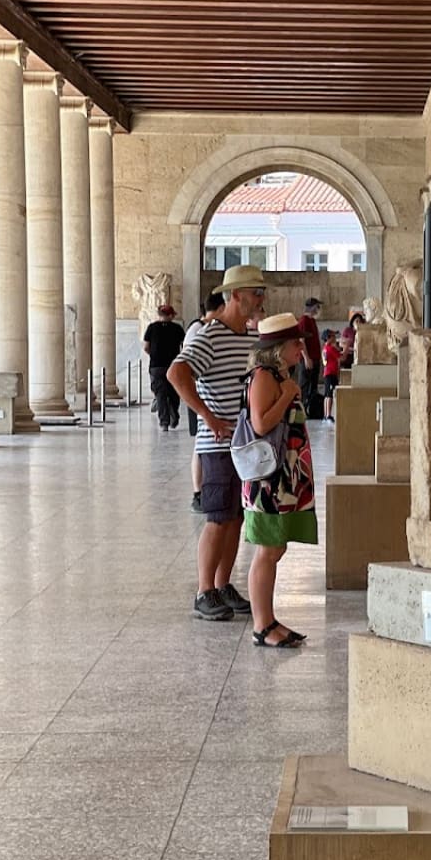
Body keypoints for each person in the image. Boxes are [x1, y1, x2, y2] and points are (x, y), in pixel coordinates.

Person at [166, 263, 268, 622]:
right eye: (256, 292)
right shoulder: (210, 335)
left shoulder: (249, 338)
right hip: (218, 444)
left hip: (244, 445)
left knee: (236, 518)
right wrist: (206, 417)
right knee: (218, 518)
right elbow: (176, 373)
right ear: (236, 295)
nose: (261, 299)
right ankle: (204, 590)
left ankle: (223, 585)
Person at [241, 313, 317, 649]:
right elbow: (260, 424)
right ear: (279, 348)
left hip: (284, 477)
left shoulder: (279, 375)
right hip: (268, 481)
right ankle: (262, 625)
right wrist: (287, 394)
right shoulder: (264, 377)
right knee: (268, 549)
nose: (301, 347)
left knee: (276, 547)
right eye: (295, 342)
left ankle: (269, 619)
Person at [184, 292, 224, 512]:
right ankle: (198, 492)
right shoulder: (199, 330)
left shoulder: (206, 329)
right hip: (199, 396)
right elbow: (184, 370)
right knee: (201, 444)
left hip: (205, 396)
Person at [143, 305, 185, 430]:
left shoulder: (152, 327)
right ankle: (174, 416)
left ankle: (164, 422)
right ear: (171, 315)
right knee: (174, 392)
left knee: (160, 394)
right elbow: (185, 346)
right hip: (173, 365)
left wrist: (154, 355)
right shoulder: (177, 328)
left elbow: (146, 347)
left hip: (156, 366)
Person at [296, 297, 322, 414]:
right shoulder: (304, 321)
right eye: (317, 307)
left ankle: (311, 409)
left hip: (315, 358)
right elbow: (301, 340)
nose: (318, 309)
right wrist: (306, 358)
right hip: (308, 359)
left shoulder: (312, 321)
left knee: (313, 387)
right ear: (312, 307)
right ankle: (301, 410)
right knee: (305, 385)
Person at [321, 329, 342, 423]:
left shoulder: (325, 348)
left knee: (327, 395)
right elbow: (341, 357)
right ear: (328, 338)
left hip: (327, 373)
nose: (335, 338)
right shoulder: (330, 348)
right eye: (333, 336)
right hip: (331, 373)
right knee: (329, 395)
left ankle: (326, 414)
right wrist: (346, 348)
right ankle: (328, 415)